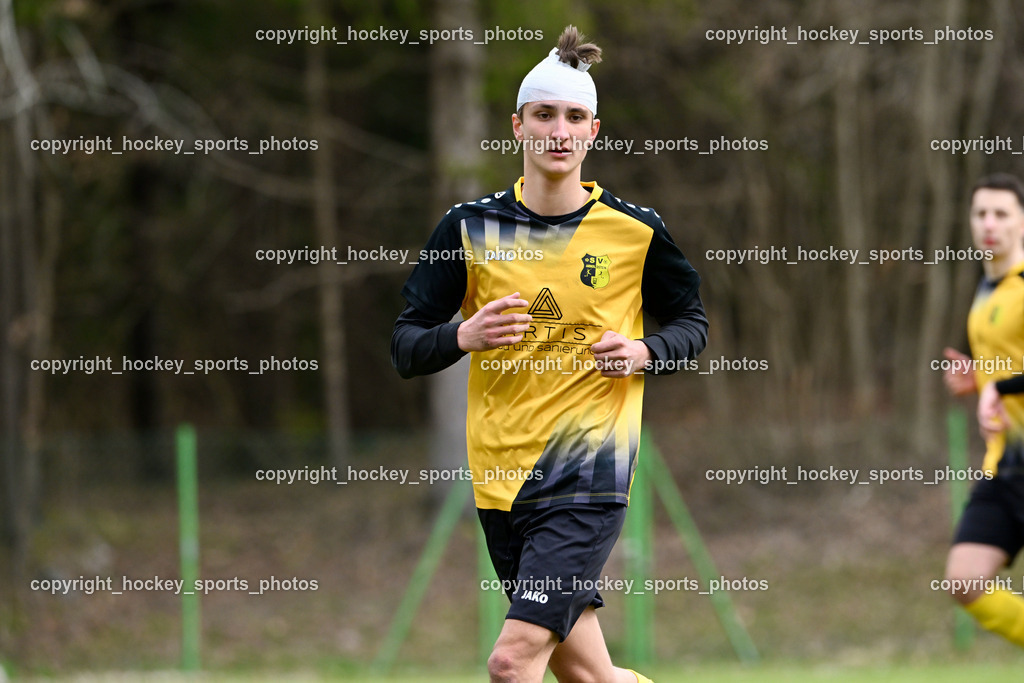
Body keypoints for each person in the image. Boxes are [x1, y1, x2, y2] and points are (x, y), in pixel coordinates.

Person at [392, 25, 708, 682]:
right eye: (544, 115)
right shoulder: (469, 229)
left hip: (587, 476)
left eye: (573, 116)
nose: (558, 130)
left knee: (512, 661)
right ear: (518, 126)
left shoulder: (635, 232)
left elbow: (691, 322)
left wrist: (647, 351)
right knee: (591, 675)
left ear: (593, 131)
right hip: (501, 481)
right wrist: (462, 336)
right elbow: (406, 343)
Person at [943, 172, 1024, 646]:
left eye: (1001, 213)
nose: (989, 223)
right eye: (980, 214)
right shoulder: (984, 290)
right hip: (1005, 466)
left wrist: (1002, 385)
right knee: (964, 580)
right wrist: (978, 381)